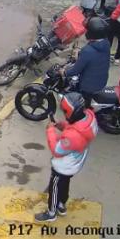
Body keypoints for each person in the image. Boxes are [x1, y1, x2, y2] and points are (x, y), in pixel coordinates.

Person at [34, 92, 98, 222]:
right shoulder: (89, 119)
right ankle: (62, 206)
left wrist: (50, 130)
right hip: (75, 164)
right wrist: (60, 125)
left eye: (65, 111)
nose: (64, 113)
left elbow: (56, 150)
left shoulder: (72, 137)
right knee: (65, 184)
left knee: (55, 187)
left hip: (63, 167)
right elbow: (74, 126)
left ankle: (51, 213)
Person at [63, 16, 111, 106]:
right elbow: (94, 57)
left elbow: (75, 71)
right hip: (102, 80)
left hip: (88, 86)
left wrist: (64, 72)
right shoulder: (106, 43)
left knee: (83, 104)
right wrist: (80, 53)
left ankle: (86, 110)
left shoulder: (87, 50)